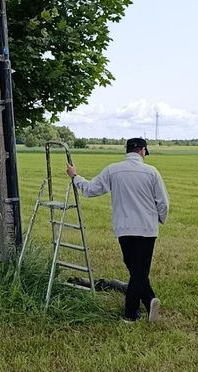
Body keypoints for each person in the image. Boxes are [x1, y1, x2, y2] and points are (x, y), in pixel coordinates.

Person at [66, 137, 169, 323]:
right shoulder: (151, 172)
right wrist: (160, 218)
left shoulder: (113, 170)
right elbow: (163, 202)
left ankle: (142, 305)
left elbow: (90, 190)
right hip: (147, 228)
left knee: (134, 268)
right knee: (140, 271)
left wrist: (75, 177)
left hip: (124, 228)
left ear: (127, 150)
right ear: (143, 151)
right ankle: (137, 309)